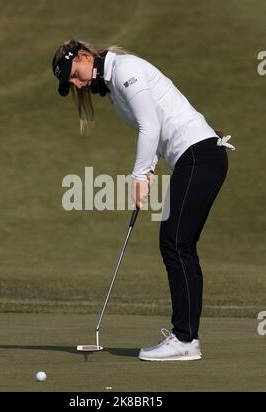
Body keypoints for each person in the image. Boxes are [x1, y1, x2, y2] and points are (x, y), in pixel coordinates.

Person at [52, 39, 235, 361]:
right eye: (71, 82)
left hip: (200, 156)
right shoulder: (113, 87)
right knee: (178, 243)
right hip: (194, 158)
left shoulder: (125, 69)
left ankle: (185, 340)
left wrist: (139, 175)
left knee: (175, 243)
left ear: (84, 56)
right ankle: (186, 338)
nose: (77, 83)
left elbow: (148, 125)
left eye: (74, 73)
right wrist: (148, 170)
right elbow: (159, 120)